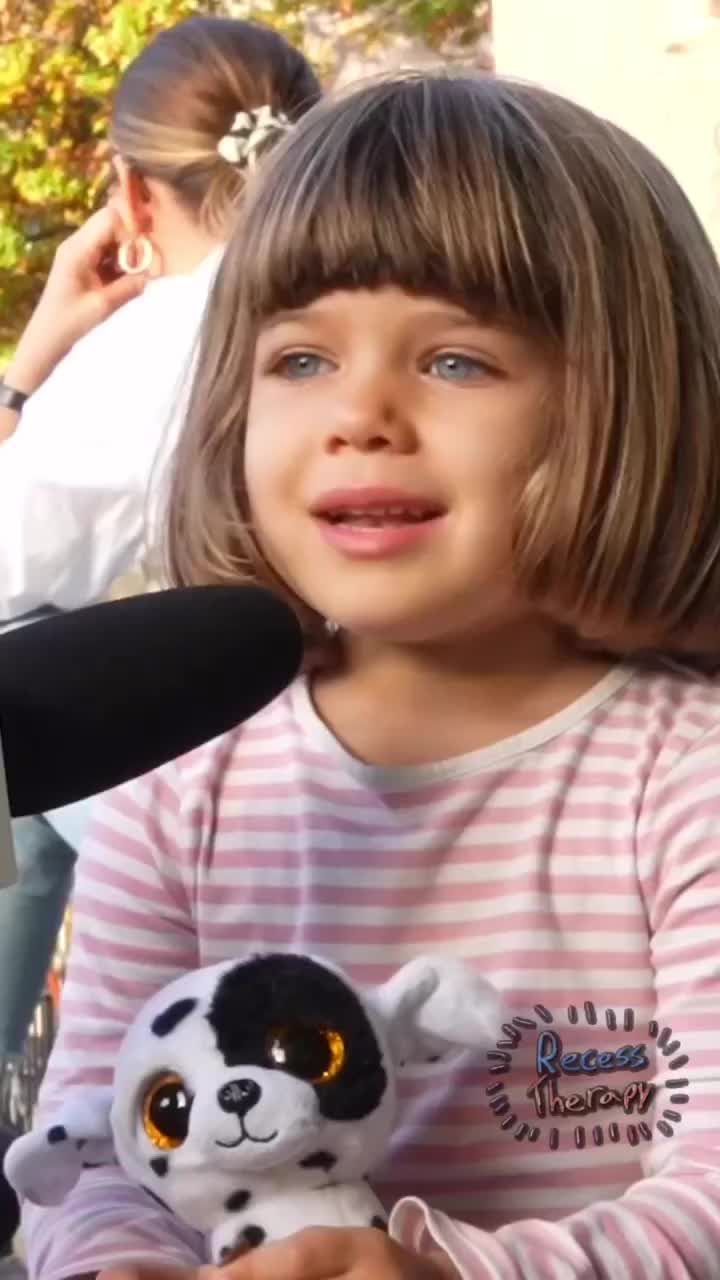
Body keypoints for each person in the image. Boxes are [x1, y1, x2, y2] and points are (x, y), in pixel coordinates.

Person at [23, 71, 720, 1280]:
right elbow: (94, 1148)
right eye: (300, 359)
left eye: (456, 361)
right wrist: (113, 1261)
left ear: (630, 406)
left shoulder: (685, 776)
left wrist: (450, 1272)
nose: (360, 416)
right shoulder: (177, 787)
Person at [0, 15, 320, 1066]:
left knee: (22, 685)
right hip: (398, 717)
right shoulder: (382, 300)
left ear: (133, 196)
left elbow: (8, 563)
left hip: (253, 778)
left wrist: (30, 368)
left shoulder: (147, 345)